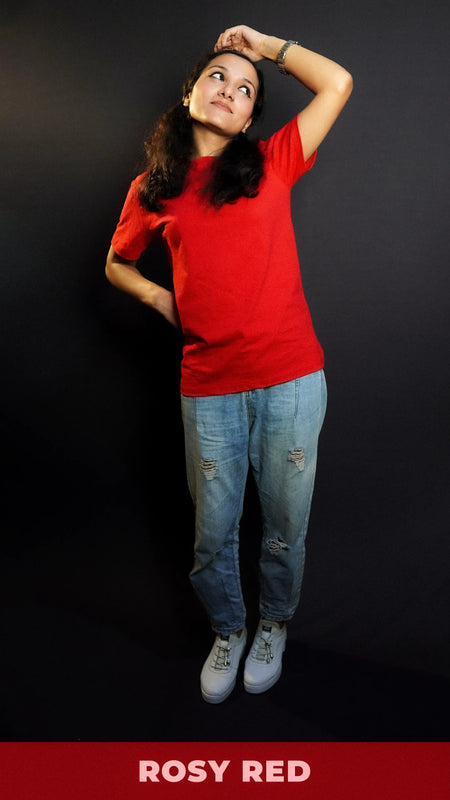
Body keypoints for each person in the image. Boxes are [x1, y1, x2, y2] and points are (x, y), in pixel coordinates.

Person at [106, 24, 352, 704]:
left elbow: (337, 83)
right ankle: (229, 628)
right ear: (191, 92)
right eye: (218, 76)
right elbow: (116, 262)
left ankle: (273, 624)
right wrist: (159, 295)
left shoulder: (274, 163)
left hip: (292, 381)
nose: (230, 90)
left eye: (245, 90)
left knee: (282, 529)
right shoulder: (153, 189)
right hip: (209, 389)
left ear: (249, 117)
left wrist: (264, 46)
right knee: (213, 536)